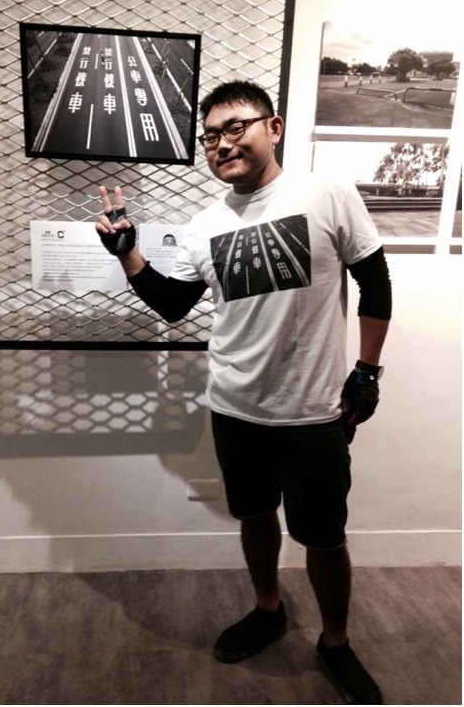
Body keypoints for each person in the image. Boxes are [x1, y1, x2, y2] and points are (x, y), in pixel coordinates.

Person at [96, 80, 391, 705]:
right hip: (234, 408)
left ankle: (336, 642)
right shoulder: (205, 225)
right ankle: (268, 609)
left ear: (273, 127)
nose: (222, 144)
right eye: (210, 137)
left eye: (236, 127)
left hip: (313, 410)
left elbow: (376, 281)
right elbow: (173, 305)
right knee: (254, 517)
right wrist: (128, 256)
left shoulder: (325, 193)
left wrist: (367, 370)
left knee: (323, 536)